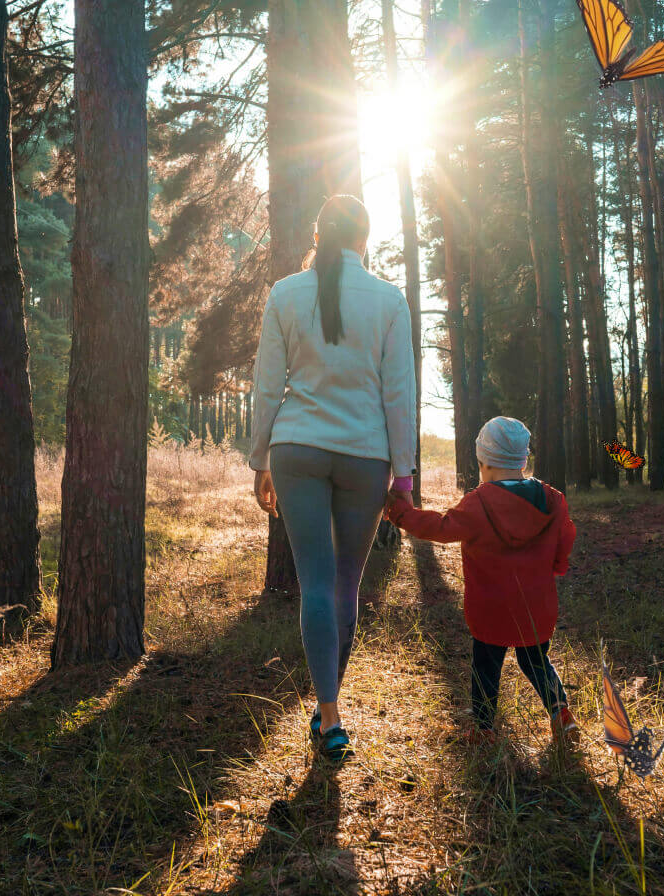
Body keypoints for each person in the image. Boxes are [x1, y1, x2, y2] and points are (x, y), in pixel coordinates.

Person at [248, 194, 417, 763]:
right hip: (365, 455)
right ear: (364, 238)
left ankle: (328, 711)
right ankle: (330, 707)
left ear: (320, 235)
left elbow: (268, 386)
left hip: (296, 448)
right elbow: (399, 396)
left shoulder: (285, 293)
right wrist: (405, 477)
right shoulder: (390, 300)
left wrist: (259, 459)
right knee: (346, 581)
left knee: (316, 582)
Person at [384, 416, 579, 746]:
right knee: (536, 661)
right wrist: (557, 566)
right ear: (523, 459)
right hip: (537, 606)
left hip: (492, 609)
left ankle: (485, 729)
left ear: (484, 462)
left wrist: (400, 512)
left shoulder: (479, 502)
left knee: (486, 666)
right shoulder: (553, 500)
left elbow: (440, 527)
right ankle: (561, 713)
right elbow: (566, 536)